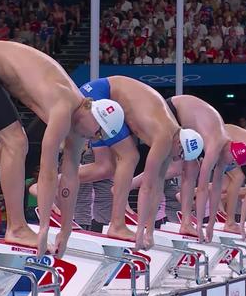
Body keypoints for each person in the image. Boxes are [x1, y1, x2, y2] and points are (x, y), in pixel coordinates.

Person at [0, 41, 126, 257]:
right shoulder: (64, 106)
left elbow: (70, 178)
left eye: (101, 136)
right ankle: (16, 227)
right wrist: (44, 228)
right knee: (16, 143)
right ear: (88, 106)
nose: (95, 137)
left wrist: (65, 231)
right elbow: (47, 172)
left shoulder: (79, 125)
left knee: (15, 145)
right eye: (98, 130)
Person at [75, 77, 204, 250]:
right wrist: (141, 232)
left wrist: (149, 232)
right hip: (101, 95)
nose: (177, 160)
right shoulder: (164, 138)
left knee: (104, 168)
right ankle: (117, 225)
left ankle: (54, 184)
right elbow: (146, 189)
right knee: (130, 156)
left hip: (106, 96)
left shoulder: (172, 139)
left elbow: (157, 188)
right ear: (179, 143)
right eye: (181, 155)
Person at [128, 95, 246, 242]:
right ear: (231, 152)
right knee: (177, 168)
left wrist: (211, 224)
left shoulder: (225, 148)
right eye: (232, 162)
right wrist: (200, 226)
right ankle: (126, 187)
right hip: (172, 110)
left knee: (190, 169)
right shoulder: (215, 146)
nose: (229, 165)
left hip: (187, 120)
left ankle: (186, 222)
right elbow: (203, 188)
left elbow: (216, 187)